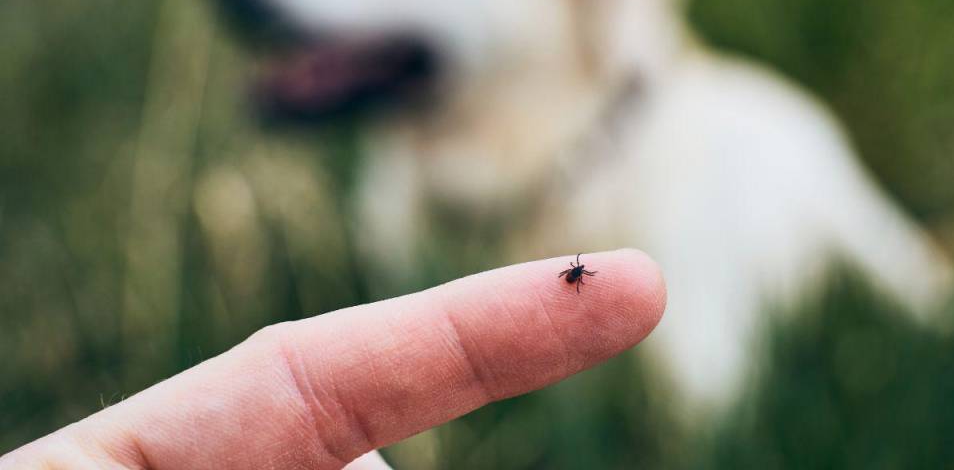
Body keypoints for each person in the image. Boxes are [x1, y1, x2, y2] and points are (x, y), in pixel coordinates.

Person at [0, 250, 664, 469]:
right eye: (576, 272)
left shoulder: (576, 278)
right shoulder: (575, 278)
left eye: (575, 272)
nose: (575, 273)